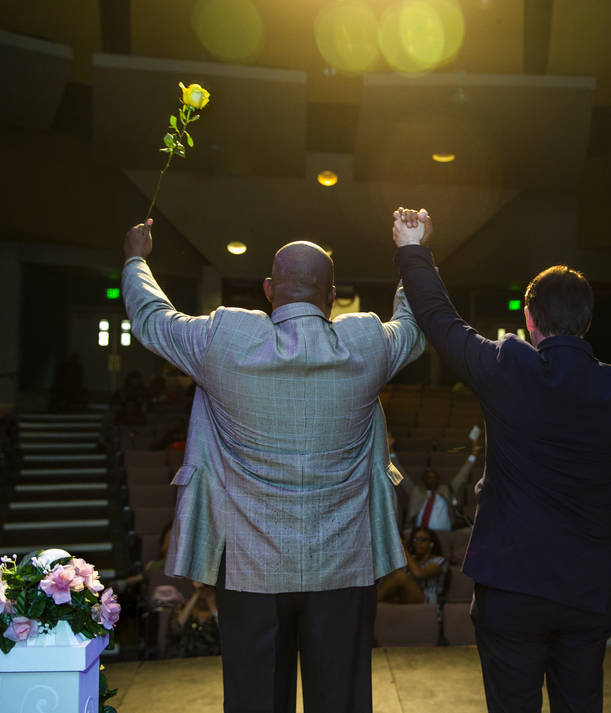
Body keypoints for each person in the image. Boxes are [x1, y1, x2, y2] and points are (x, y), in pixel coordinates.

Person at [390, 208, 611, 713]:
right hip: (584, 591)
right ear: (586, 322)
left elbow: (438, 318)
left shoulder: (507, 366)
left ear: (530, 320)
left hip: (511, 589)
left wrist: (413, 247)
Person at [122, 217, 425, 713]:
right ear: (331, 296)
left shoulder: (224, 338)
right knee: (342, 703)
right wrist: (410, 251)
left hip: (250, 570)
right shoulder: (367, 342)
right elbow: (414, 325)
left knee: (256, 702)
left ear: (268, 290)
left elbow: (152, 318)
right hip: (343, 567)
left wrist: (136, 259)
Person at [395, 438, 480, 530]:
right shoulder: (415, 491)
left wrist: (474, 453)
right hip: (420, 534)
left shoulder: (448, 490)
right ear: (424, 480)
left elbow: (463, 475)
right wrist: (390, 452)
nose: (433, 479)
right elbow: (400, 476)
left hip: (445, 535)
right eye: (429, 477)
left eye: (435, 477)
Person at [377, 526, 447, 605]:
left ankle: (370, 602)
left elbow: (419, 574)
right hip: (406, 596)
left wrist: (403, 549)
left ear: (431, 544)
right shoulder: (412, 558)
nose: (418, 542)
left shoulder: (440, 561)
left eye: (422, 540)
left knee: (400, 576)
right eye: (415, 539)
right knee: (379, 603)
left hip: (428, 600)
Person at [167, 581, 221, 658]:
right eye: (202, 589)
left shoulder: (219, 611)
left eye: (207, 588)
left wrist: (212, 605)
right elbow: (175, 628)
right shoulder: (184, 608)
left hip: (213, 657)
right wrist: (196, 595)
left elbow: (225, 634)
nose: (204, 593)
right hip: (185, 657)